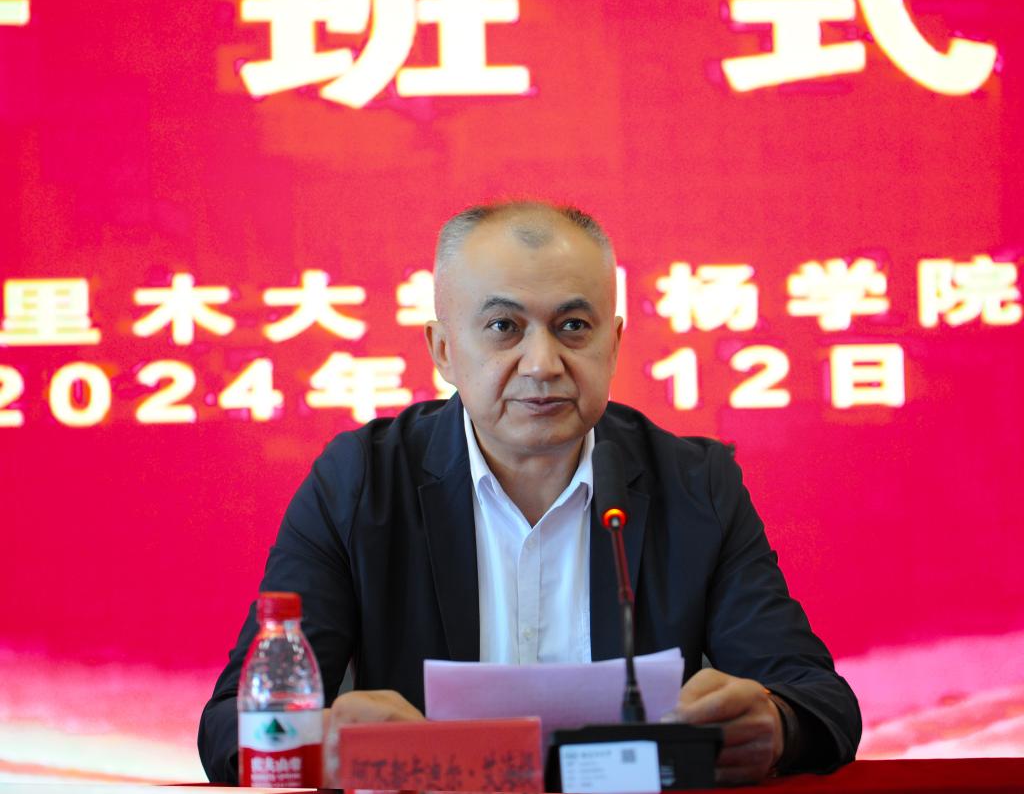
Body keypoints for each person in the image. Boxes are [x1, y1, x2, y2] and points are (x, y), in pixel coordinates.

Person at [199, 202, 861, 785]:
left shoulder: (694, 484)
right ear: (443, 349)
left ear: (614, 343)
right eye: (503, 327)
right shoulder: (361, 481)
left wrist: (776, 724)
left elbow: (821, 700)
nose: (543, 364)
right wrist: (322, 745)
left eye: (573, 326)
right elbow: (230, 724)